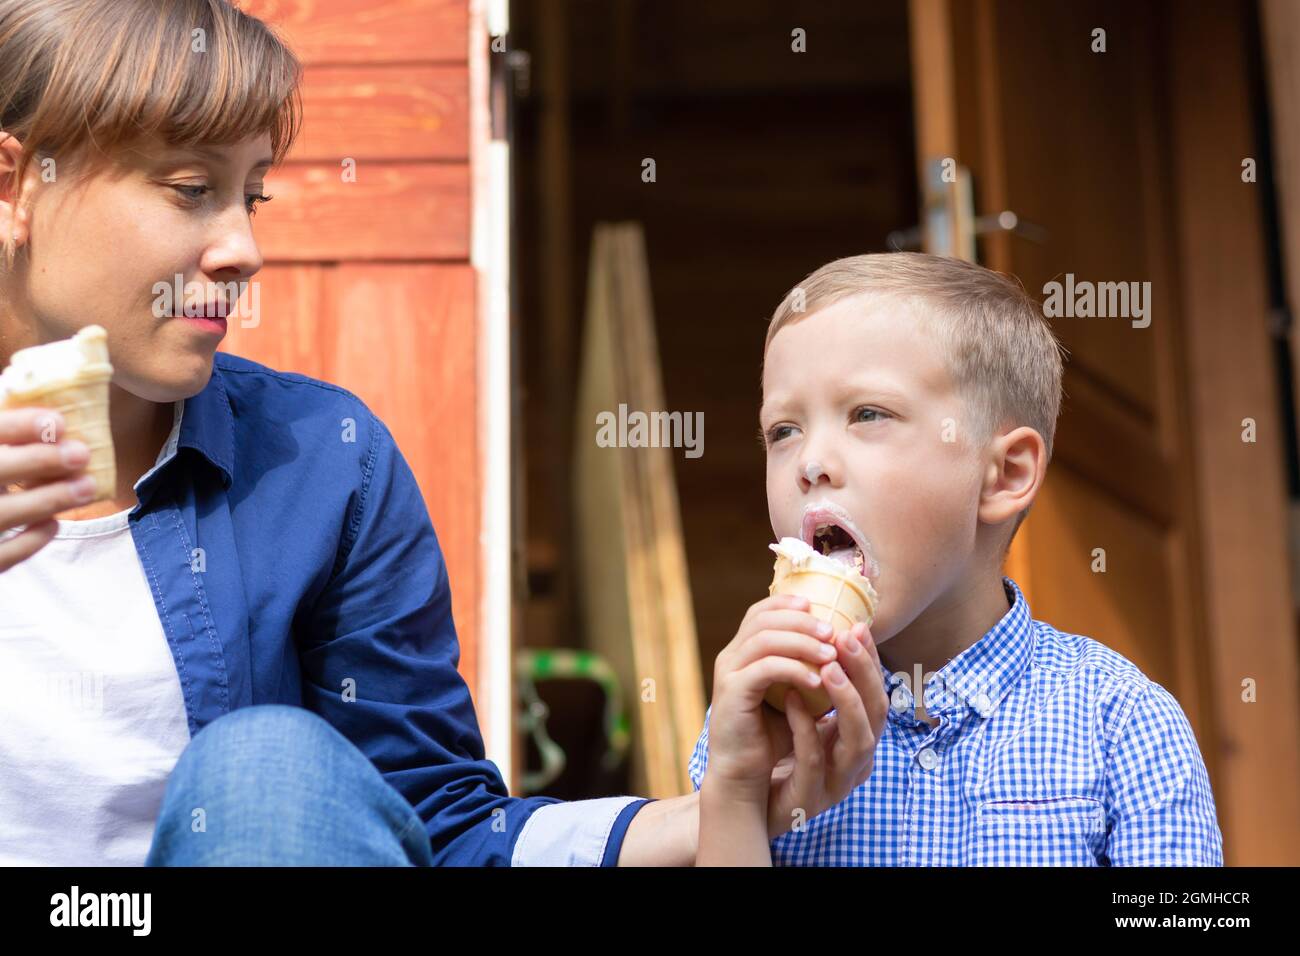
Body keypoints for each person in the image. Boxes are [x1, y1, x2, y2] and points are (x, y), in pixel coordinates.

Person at [0, 0, 880, 867]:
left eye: (251, 196)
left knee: (268, 766)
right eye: (192, 190)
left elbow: (441, 825)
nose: (242, 248)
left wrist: (720, 802)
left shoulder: (323, 459)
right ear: (17, 187)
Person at [688, 252, 1225, 865]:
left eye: (867, 414)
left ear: (1003, 475)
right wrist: (733, 796)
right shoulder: (764, 714)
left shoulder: (1121, 723)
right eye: (783, 430)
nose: (810, 463)